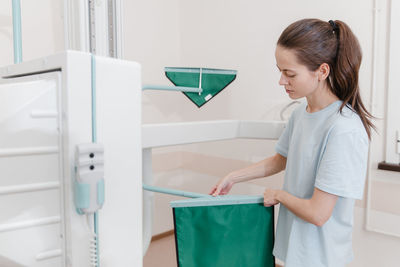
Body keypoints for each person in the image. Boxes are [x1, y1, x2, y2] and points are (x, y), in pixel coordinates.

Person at [209, 19, 375, 267]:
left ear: (322, 71)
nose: (281, 81)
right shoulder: (301, 113)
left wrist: (278, 195)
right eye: (280, 71)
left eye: (290, 74)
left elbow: (318, 214)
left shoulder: (343, 130)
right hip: (292, 251)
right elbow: (281, 159)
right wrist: (234, 176)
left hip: (322, 257)